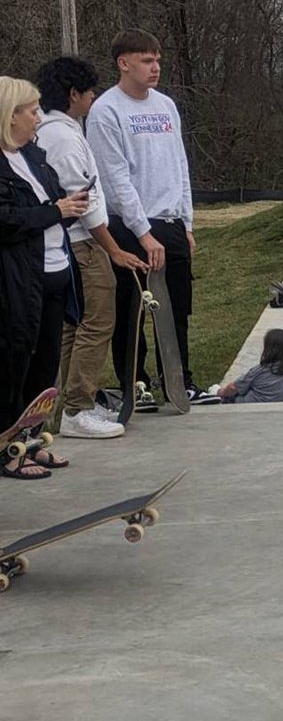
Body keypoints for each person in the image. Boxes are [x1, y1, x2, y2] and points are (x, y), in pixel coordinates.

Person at [86, 29, 202, 399]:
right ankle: (135, 382)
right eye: (146, 61)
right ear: (124, 64)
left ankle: (178, 380)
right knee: (132, 311)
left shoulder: (166, 105)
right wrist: (142, 232)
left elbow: (179, 164)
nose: (155, 68)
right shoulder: (106, 110)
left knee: (176, 311)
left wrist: (186, 222)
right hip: (129, 226)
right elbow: (115, 178)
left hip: (170, 222)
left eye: (158, 61)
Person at [35, 56, 147, 439]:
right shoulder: (63, 137)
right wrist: (113, 249)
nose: (93, 98)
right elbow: (85, 203)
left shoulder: (51, 130)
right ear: (73, 94)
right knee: (98, 321)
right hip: (82, 245)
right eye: (89, 92)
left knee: (74, 324)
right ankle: (77, 408)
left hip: (70, 245)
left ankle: (65, 402)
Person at [0, 76, 89, 479]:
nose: (39, 118)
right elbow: (7, 220)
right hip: (19, 281)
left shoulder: (33, 156)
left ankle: (31, 440)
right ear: (10, 115)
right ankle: (6, 449)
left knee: (45, 365)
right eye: (32, 111)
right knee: (15, 362)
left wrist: (71, 202)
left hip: (56, 272)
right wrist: (56, 211)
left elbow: (54, 197)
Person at [214, 329, 283, 404]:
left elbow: (233, 388)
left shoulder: (260, 370)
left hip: (250, 407)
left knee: (216, 390)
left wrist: (220, 392)